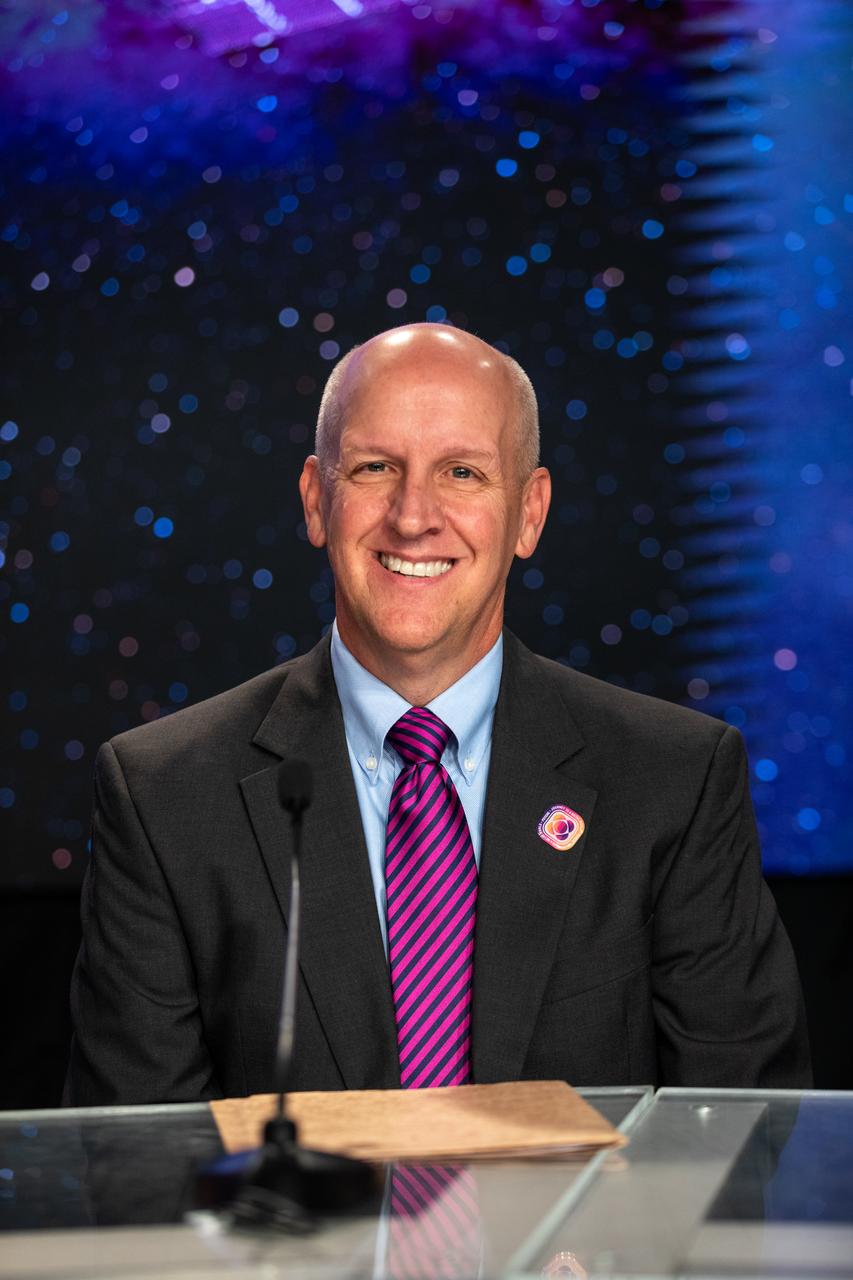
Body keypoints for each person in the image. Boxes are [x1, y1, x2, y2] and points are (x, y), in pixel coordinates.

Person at [65, 323, 811, 1105]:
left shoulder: (673, 781)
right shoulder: (163, 795)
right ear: (316, 500)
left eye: (461, 472)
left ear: (529, 513)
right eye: (375, 467)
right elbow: (134, 1157)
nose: (413, 516)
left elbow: (741, 1133)